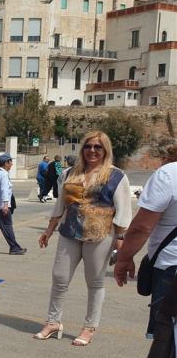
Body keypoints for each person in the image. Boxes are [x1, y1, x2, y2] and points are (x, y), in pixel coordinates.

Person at [35, 131, 132, 346]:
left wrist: (121, 242)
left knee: (95, 283)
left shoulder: (116, 176)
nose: (93, 151)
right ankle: (53, 322)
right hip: (70, 232)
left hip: (100, 235)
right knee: (59, 277)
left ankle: (89, 327)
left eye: (98, 147)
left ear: (105, 150)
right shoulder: (70, 173)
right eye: (88, 146)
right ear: (82, 149)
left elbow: (124, 211)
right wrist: (49, 230)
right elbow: (60, 204)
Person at [114, 148, 177, 358]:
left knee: (171, 333)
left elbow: (141, 228)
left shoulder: (169, 175)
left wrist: (124, 258)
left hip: (172, 267)